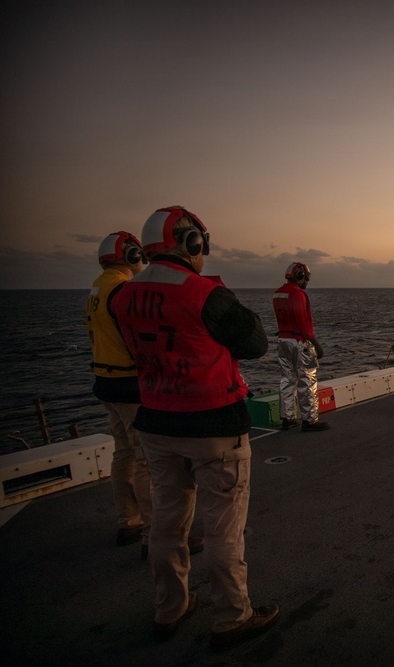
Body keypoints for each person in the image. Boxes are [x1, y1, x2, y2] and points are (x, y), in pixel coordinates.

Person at [111, 206, 279, 647]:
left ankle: (169, 609)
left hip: (156, 423)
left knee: (167, 522)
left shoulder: (122, 296)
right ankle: (232, 617)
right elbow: (256, 343)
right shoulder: (203, 293)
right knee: (223, 528)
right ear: (191, 243)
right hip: (214, 424)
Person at [86, 232, 152, 551]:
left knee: (123, 452)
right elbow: (138, 338)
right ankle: (155, 534)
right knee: (147, 457)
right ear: (131, 255)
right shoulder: (124, 289)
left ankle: (129, 521)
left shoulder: (98, 287)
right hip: (128, 384)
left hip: (105, 382)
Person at [273, 262, 330, 432]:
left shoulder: (278, 294)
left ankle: (288, 416)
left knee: (287, 379)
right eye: (305, 277)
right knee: (307, 379)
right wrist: (315, 343)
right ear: (299, 276)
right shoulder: (298, 295)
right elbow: (303, 323)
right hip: (300, 342)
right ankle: (310, 420)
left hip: (283, 341)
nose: (307, 281)